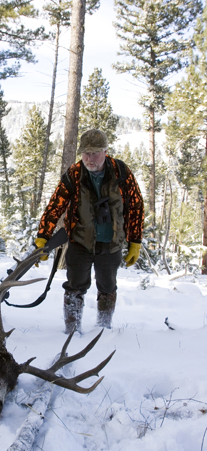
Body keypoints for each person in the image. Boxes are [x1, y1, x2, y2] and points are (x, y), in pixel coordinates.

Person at [35, 129, 144, 333]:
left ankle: (104, 330)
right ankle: (72, 331)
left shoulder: (121, 172)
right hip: (79, 243)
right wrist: (43, 236)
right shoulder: (75, 174)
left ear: (105, 151)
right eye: (85, 152)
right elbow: (55, 206)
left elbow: (136, 206)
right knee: (74, 287)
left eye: (94, 153)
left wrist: (135, 241)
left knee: (108, 288)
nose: (89, 158)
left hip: (111, 244)